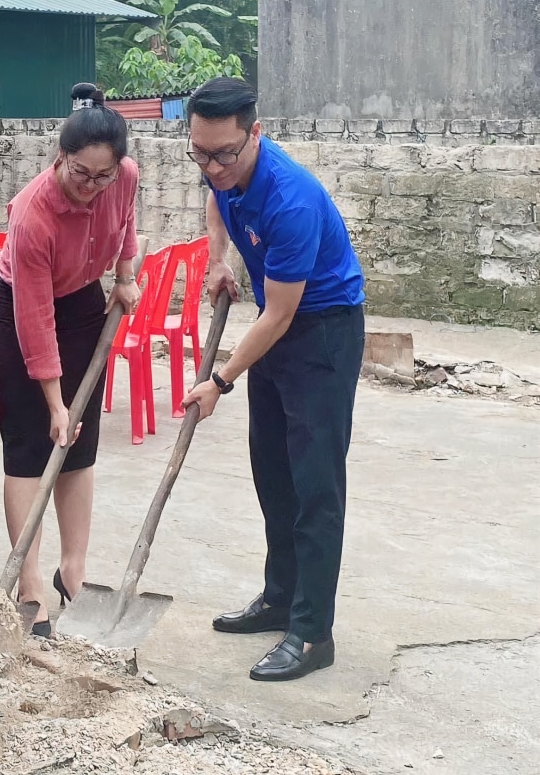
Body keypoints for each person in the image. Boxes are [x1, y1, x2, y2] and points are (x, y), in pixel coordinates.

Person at [181, 77, 365, 682]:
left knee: (315, 486)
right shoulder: (223, 173)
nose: (213, 166)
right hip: (277, 331)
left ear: (254, 134)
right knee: (274, 474)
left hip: (321, 334)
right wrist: (219, 256)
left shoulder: (291, 199)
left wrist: (222, 380)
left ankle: (313, 635)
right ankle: (280, 598)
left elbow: (282, 313)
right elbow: (217, 201)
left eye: (224, 154)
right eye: (200, 153)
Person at [0, 82, 141, 637]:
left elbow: (125, 221)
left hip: (81, 295)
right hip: (20, 305)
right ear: (61, 157)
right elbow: (34, 321)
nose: (91, 186)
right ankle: (29, 583)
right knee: (33, 445)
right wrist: (54, 401)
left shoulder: (122, 180)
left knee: (80, 443)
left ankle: (72, 570)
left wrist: (124, 277)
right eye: (81, 173)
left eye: (103, 176)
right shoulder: (32, 215)